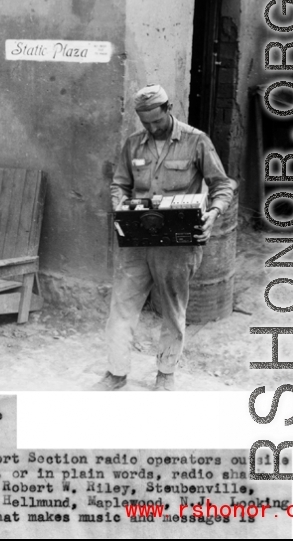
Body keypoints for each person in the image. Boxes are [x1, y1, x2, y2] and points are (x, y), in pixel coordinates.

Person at [94, 84, 234, 391]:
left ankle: (165, 372)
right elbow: (120, 183)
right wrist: (120, 204)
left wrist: (214, 211)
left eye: (158, 121)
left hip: (177, 243)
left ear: (169, 109)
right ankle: (116, 373)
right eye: (146, 123)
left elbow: (222, 185)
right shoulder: (132, 145)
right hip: (138, 239)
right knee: (122, 305)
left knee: (173, 308)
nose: (153, 128)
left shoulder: (197, 141)